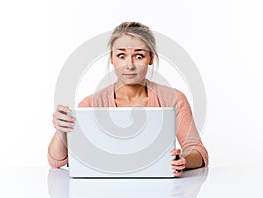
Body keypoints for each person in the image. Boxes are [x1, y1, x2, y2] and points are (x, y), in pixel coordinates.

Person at [48, 22, 208, 177]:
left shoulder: (173, 98)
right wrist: (61, 129)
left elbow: (199, 152)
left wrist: (182, 161)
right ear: (112, 58)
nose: (129, 65)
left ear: (150, 58)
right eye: (121, 55)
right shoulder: (91, 104)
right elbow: (56, 162)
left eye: (139, 56)